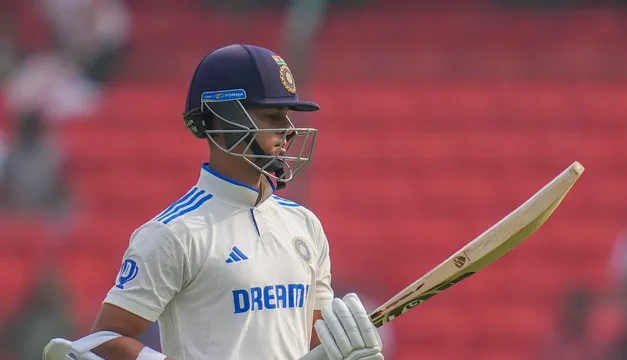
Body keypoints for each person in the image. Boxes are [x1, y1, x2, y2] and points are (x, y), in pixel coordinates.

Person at [42, 44, 384, 360]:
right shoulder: (173, 232)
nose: (289, 129)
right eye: (272, 116)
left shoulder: (305, 224)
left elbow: (313, 343)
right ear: (225, 119)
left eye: (287, 115)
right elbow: (101, 339)